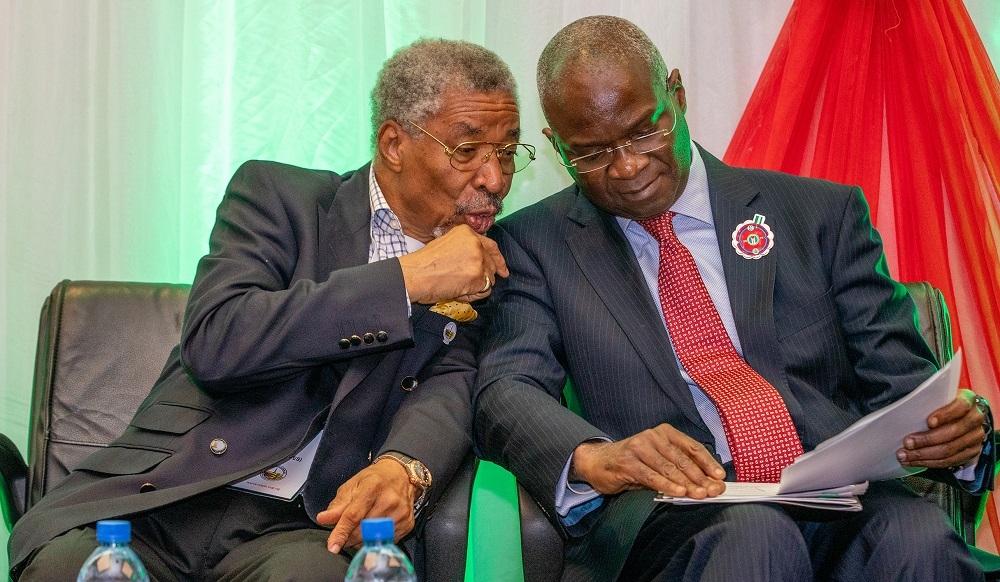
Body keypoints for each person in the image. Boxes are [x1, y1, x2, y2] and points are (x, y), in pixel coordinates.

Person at [473, 15, 993, 582]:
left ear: (676, 94)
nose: (627, 167)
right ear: (555, 145)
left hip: (837, 492)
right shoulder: (534, 246)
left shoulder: (820, 215)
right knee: (757, 541)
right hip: (675, 513)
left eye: (643, 132)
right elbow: (507, 388)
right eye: (592, 154)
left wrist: (960, 431)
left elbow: (909, 390)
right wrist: (596, 457)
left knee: (921, 542)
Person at [10, 38, 534, 581]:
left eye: (507, 154)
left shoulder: (491, 263)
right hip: (162, 499)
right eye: (467, 152)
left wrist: (407, 467)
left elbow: (454, 385)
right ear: (394, 144)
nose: (494, 180)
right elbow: (218, 342)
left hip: (304, 527)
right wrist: (408, 279)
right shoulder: (281, 198)